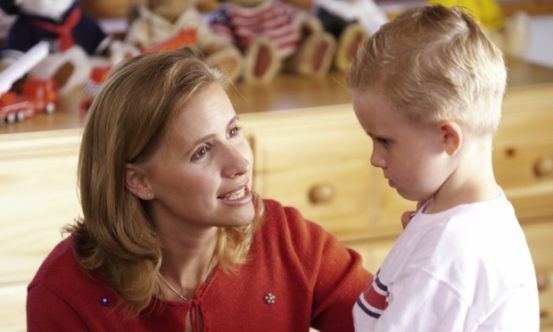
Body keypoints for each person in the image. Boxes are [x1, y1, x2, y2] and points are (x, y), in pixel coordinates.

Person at [26, 48, 372, 331]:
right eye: (202, 151)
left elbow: (394, 323)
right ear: (139, 181)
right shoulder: (63, 292)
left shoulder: (288, 241)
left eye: (233, 131)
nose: (239, 163)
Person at [348, 5, 539, 331]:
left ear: (447, 138)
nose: (375, 158)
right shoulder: (463, 222)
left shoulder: (447, 257)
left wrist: (428, 254)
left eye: (385, 141)